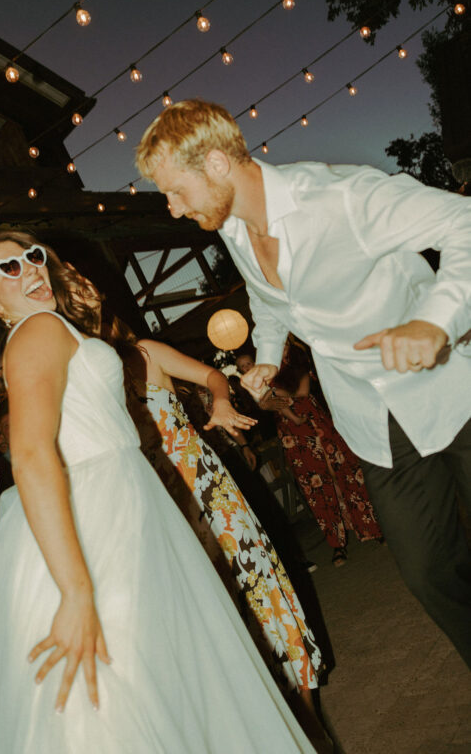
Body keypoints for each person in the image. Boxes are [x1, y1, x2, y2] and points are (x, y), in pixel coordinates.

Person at [136, 97, 471, 667]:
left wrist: (434, 320)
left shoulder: (344, 197)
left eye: (175, 190)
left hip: (451, 392)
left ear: (217, 164)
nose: (171, 208)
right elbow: (271, 299)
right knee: (428, 572)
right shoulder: (233, 229)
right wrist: (267, 354)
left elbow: (464, 223)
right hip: (372, 424)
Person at [0, 230, 315, 753]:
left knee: (168, 680)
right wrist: (76, 589)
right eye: (8, 267)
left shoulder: (52, 326)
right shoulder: (37, 329)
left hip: (126, 499)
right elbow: (33, 455)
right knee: (137, 689)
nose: (30, 268)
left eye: (33, 257)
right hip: (103, 512)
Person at [105, 319, 327, 744]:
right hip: (154, 506)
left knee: (259, 589)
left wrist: (221, 402)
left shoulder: (145, 353)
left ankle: (310, 727)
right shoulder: (82, 387)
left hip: (204, 488)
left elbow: (210, 376)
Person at [262, 365, 382, 565]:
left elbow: (303, 391)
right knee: (317, 488)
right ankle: (337, 544)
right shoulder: (264, 375)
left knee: (345, 474)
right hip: (294, 436)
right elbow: (265, 403)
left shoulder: (297, 364)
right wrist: (270, 399)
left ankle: (371, 528)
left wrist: (278, 393)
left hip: (316, 423)